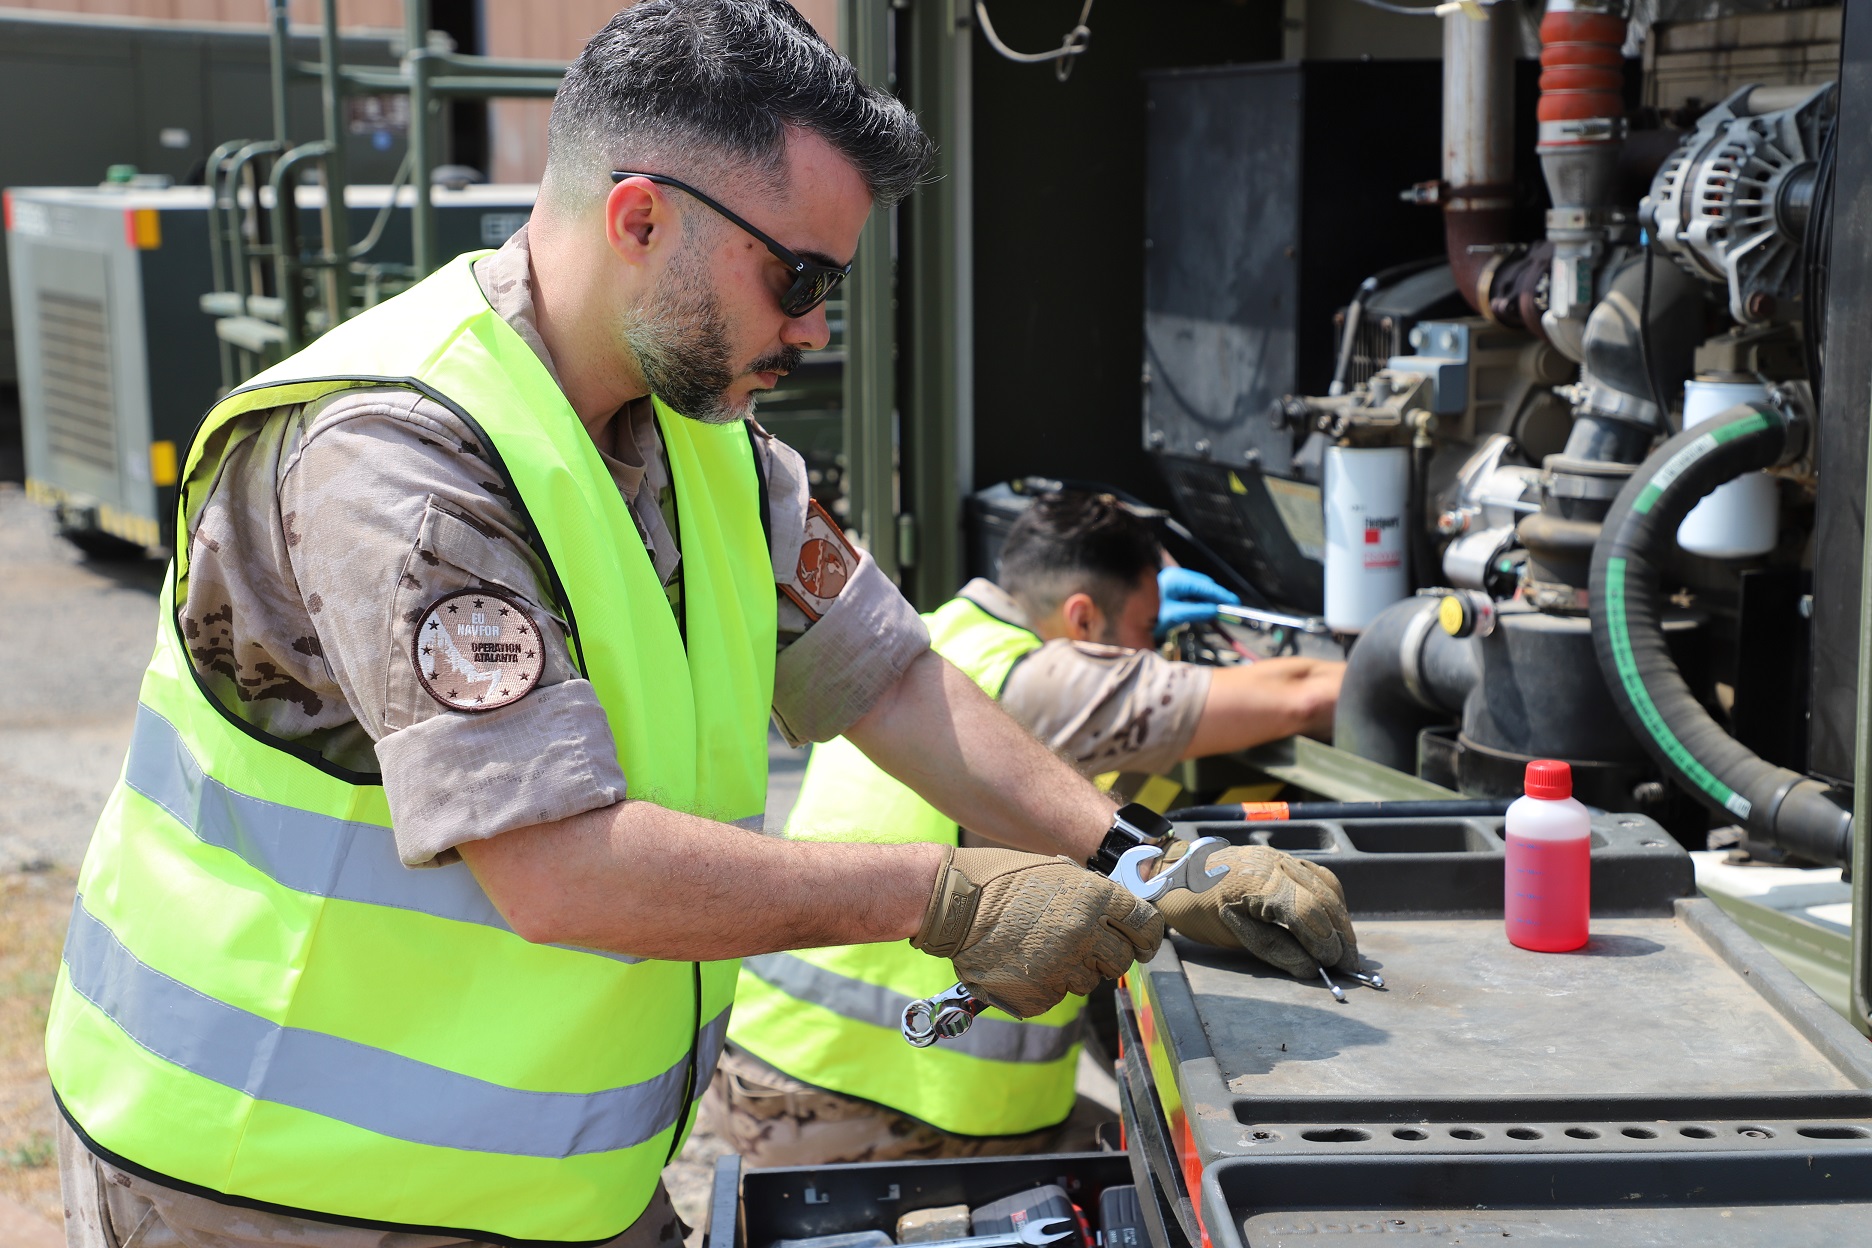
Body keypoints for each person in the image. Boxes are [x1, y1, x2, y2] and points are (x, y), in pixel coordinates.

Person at [714, 491, 1354, 1165]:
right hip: (887, 1107)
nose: (1151, 651)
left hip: (764, 1061)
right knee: (1156, 1173)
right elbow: (1303, 694)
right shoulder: (1048, 680)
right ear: (1082, 616)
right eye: (1145, 628)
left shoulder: (933, 632)